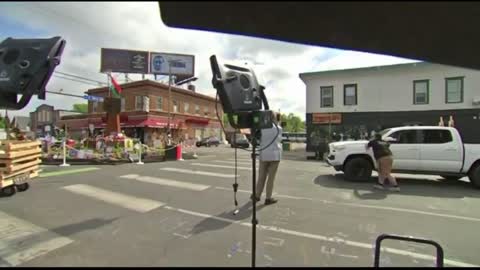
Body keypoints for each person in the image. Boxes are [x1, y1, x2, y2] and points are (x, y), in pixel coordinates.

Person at [252, 112, 283, 205]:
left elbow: (257, 138)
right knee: (271, 178)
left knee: (261, 176)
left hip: (264, 154)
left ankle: (257, 195)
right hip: (275, 155)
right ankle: (268, 198)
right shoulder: (279, 128)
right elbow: (279, 140)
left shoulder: (262, 128)